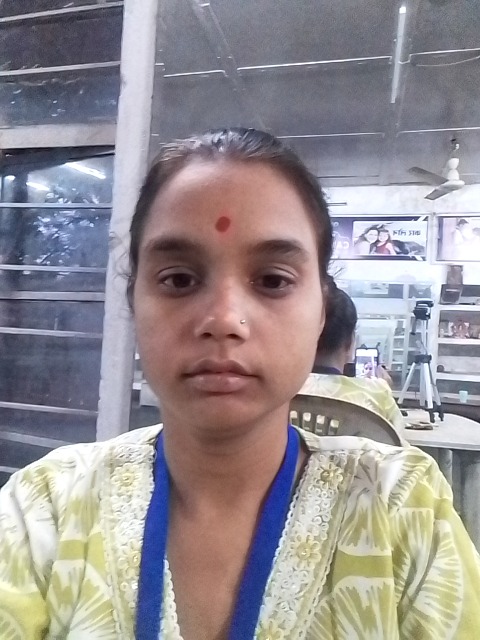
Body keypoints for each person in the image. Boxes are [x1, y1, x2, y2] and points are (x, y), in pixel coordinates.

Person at [1, 128, 480, 639]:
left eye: (273, 280)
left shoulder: (402, 508)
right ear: (133, 302)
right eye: (179, 279)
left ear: (321, 310)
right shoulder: (44, 509)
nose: (224, 319)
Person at [305, 283, 406, 441]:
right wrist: (384, 390)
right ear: (350, 343)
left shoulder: (283, 390)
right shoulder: (377, 393)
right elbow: (397, 446)